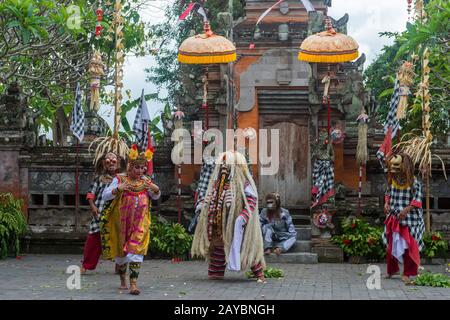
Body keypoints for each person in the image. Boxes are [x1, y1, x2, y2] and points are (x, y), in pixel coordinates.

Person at [191, 150, 266, 283]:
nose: (224, 167)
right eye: (222, 164)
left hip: (237, 225)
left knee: (246, 247)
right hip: (218, 225)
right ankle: (216, 273)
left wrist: (243, 216)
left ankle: (259, 273)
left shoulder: (244, 183)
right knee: (217, 247)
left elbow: (252, 199)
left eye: (228, 165)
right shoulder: (216, 183)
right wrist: (203, 206)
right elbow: (209, 198)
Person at [101, 144, 160, 295]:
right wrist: (119, 189)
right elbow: (105, 195)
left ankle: (134, 284)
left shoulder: (146, 181)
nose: (140, 171)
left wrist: (155, 188)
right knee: (121, 255)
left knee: (136, 250)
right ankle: (123, 281)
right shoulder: (120, 179)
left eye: (142, 168)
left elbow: (155, 196)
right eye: (137, 168)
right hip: (121, 221)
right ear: (130, 166)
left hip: (140, 221)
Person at [383, 152, 425, 284]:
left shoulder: (414, 182)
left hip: (410, 219)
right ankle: (392, 270)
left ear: (404, 165)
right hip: (394, 217)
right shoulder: (392, 180)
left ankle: (407, 273)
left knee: (409, 247)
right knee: (390, 245)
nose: (393, 169)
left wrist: (406, 210)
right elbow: (388, 193)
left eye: (396, 166)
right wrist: (386, 203)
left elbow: (417, 200)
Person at [81, 152, 121, 274]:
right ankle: (86, 265)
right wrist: (92, 206)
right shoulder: (99, 178)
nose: (111, 163)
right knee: (93, 238)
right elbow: (90, 194)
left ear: (118, 163)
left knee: (119, 239)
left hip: (118, 214)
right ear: (104, 163)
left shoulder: (123, 178)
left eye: (114, 161)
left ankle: (120, 265)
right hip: (100, 212)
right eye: (108, 161)